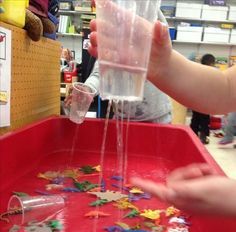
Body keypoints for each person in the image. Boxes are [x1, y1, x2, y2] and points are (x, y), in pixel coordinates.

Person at [88, 6, 236, 216]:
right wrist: (165, 65)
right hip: (123, 113)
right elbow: (226, 87)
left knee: (152, 160)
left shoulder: (154, 16)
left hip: (156, 115)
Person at [65, 10, 172, 124]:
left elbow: (164, 51)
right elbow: (101, 71)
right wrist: (87, 88)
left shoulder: (149, 9)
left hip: (157, 117)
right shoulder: (111, 23)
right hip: (122, 118)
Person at [190, 54, 215, 145]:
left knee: (195, 118)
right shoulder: (211, 72)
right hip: (205, 100)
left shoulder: (197, 70)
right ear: (211, 63)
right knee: (204, 119)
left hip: (195, 99)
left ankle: (192, 136)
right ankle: (204, 137)